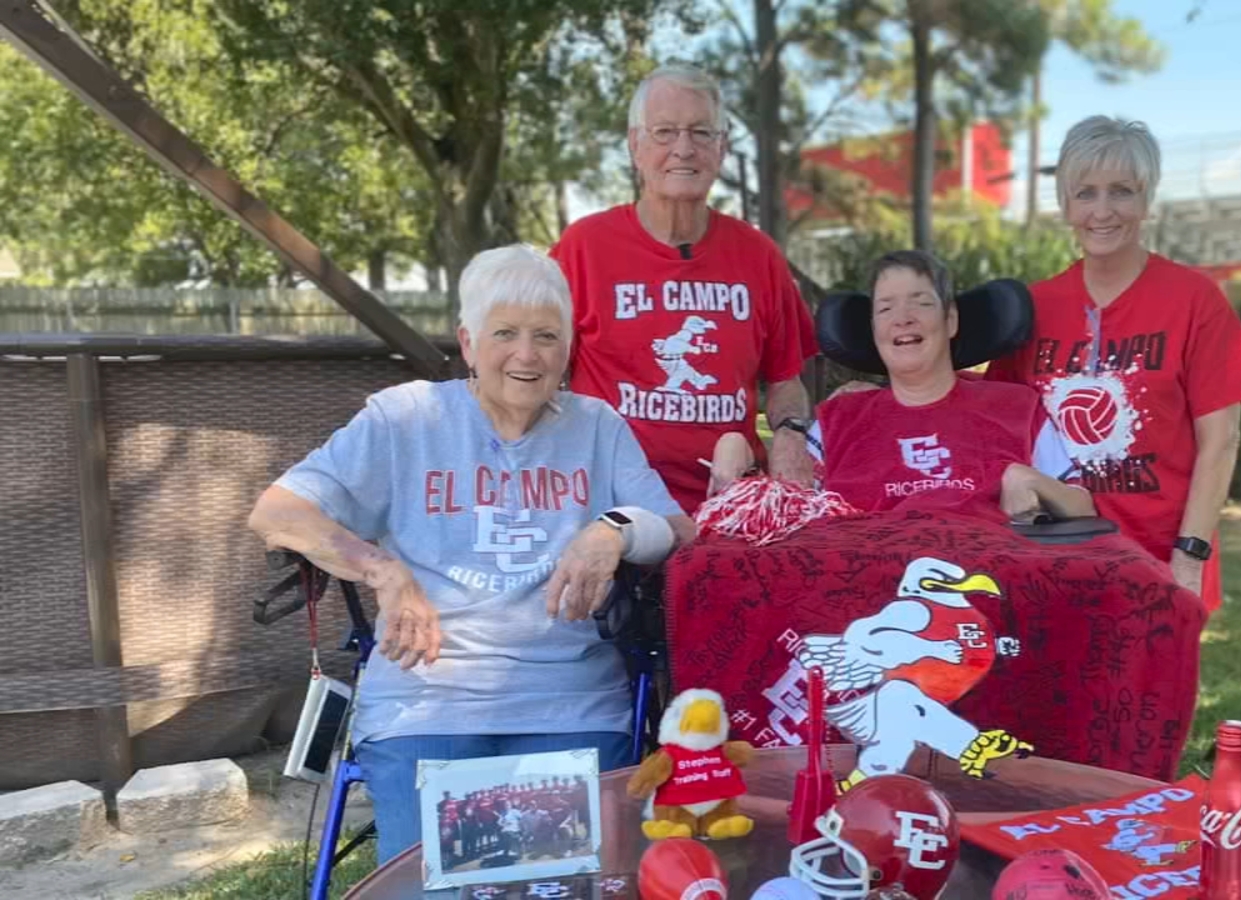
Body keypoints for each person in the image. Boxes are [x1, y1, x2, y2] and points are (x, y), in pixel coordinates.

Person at [247, 244, 694, 865]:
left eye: (547, 335)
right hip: (427, 698)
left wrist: (611, 530)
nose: (527, 354)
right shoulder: (407, 418)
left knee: (549, 880)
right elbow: (277, 511)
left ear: (568, 348)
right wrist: (383, 569)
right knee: (442, 880)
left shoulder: (597, 426)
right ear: (467, 340)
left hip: (567, 697)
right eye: (505, 333)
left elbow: (676, 526)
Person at [985, 115, 1241, 613]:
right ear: (1066, 203)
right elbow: (994, 424)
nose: (1102, 211)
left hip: (1161, 556)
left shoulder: (1193, 299)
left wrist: (1190, 558)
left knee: (1154, 692)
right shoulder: (1034, 307)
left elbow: (1221, 441)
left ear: (1145, 199)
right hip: (1056, 555)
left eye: (1121, 191)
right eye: (1085, 193)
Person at [551, 64, 819, 515]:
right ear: (635, 145)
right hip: (611, 503)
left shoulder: (758, 255)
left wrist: (792, 434)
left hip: (730, 499)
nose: (683, 149)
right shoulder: (582, 249)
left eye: (700, 132)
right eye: (664, 132)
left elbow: (785, 381)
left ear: (722, 147)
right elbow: (535, 365)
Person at [714, 250, 1094, 525]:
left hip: (990, 601)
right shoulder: (839, 420)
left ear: (950, 320)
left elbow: (1081, 505)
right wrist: (733, 452)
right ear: (873, 331)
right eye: (885, 308)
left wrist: (1026, 478)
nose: (903, 319)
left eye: (921, 303)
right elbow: (786, 512)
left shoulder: (1017, 409)